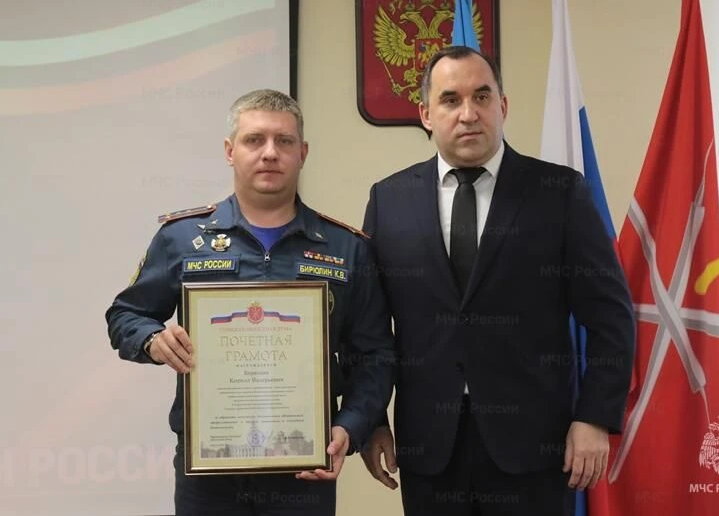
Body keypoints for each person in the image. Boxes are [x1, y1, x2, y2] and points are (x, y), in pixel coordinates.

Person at [360, 46, 635, 515]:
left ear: (502, 106)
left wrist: (594, 416)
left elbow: (612, 318)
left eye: (482, 97)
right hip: (430, 449)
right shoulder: (389, 200)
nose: (468, 114)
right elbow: (370, 330)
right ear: (426, 115)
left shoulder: (559, 193)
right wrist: (372, 420)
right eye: (450, 100)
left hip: (536, 449)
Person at [106, 89, 395, 516]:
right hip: (208, 468)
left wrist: (349, 426)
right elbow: (125, 315)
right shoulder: (181, 238)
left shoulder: (346, 248)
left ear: (303, 153)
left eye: (284, 141)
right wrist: (152, 340)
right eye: (254, 140)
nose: (270, 153)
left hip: (304, 466)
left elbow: (375, 355)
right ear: (230, 151)